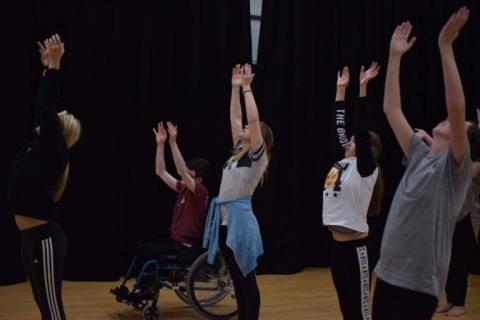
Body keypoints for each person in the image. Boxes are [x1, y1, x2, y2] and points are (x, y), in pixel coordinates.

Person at [372, 7, 477, 319]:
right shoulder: (420, 155)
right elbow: (392, 108)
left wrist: (445, 46)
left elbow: (456, 108)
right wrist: (394, 56)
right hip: (388, 274)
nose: (447, 120)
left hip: (417, 286)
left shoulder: (454, 173)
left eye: (455, 125)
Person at [6, 34, 82, 320]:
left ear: (57, 131)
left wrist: (55, 67)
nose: (48, 118)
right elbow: (43, 110)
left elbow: (46, 108)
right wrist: (44, 69)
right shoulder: (37, 151)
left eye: (54, 118)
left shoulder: (55, 151)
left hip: (44, 240)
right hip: (30, 239)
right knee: (43, 305)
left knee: (52, 310)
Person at [203, 64, 273, 320]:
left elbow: (252, 120)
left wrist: (247, 88)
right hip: (224, 223)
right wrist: (234, 89)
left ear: (259, 137)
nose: (245, 126)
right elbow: (235, 118)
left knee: (247, 280)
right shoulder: (237, 152)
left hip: (240, 224)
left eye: (252, 129)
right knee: (236, 278)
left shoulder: (257, 157)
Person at [323, 62, 382, 320]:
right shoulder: (345, 161)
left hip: (358, 249)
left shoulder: (366, 168)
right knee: (346, 309)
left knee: (360, 311)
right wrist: (340, 90)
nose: (349, 141)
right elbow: (339, 127)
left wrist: (363, 88)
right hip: (337, 247)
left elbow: (360, 127)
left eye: (356, 140)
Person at [141, 121, 211, 264]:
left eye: (189, 176)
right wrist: (160, 145)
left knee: (146, 252)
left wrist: (172, 142)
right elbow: (160, 172)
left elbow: (181, 171)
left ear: (199, 180)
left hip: (186, 246)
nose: (183, 177)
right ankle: (146, 286)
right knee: (143, 248)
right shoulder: (183, 188)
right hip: (176, 242)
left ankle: (147, 286)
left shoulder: (201, 192)